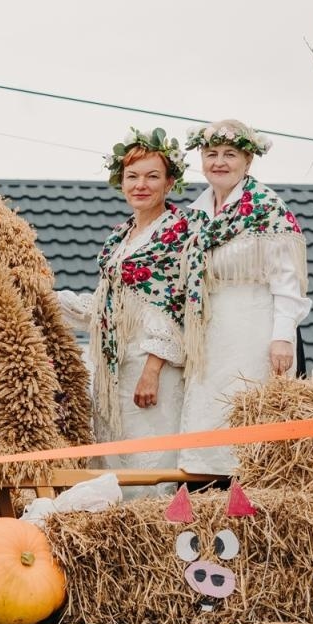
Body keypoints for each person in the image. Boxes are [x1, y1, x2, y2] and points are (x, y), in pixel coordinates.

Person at [57, 129, 193, 484]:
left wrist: (152, 370)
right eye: (132, 177)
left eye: (152, 176)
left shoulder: (179, 232)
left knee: (150, 457)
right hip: (115, 363)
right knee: (115, 455)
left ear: (170, 183)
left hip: (153, 366)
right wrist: (47, 299)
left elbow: (177, 303)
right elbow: (107, 304)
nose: (140, 185)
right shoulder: (119, 236)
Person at [178, 119, 310, 475]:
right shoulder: (196, 215)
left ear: (248, 161)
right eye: (211, 154)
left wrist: (282, 337)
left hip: (254, 327)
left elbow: (287, 281)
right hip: (210, 330)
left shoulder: (267, 209)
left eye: (229, 154)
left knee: (244, 410)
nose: (219, 162)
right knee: (209, 414)